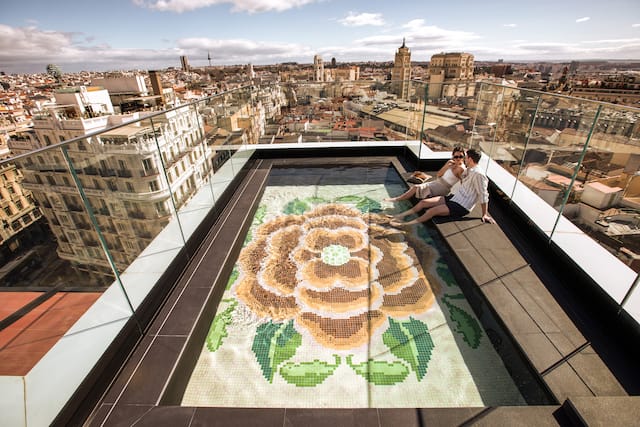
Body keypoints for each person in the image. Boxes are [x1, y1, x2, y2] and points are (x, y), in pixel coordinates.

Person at [389, 148, 494, 227]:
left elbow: (483, 194)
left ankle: (406, 224)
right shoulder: (469, 169)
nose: (464, 159)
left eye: (465, 157)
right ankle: (400, 216)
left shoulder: (479, 174)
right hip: (454, 198)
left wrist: (484, 214)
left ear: (470, 159)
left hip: (462, 206)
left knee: (431, 211)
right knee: (423, 203)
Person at [384, 146, 466, 202]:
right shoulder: (450, 163)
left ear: (464, 157)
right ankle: (399, 199)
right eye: (456, 157)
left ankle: (396, 199)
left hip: (444, 188)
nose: (458, 159)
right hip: (437, 182)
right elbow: (439, 174)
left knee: (416, 187)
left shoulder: (461, 169)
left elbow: (463, 183)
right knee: (416, 188)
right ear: (452, 156)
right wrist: (447, 166)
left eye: (461, 157)